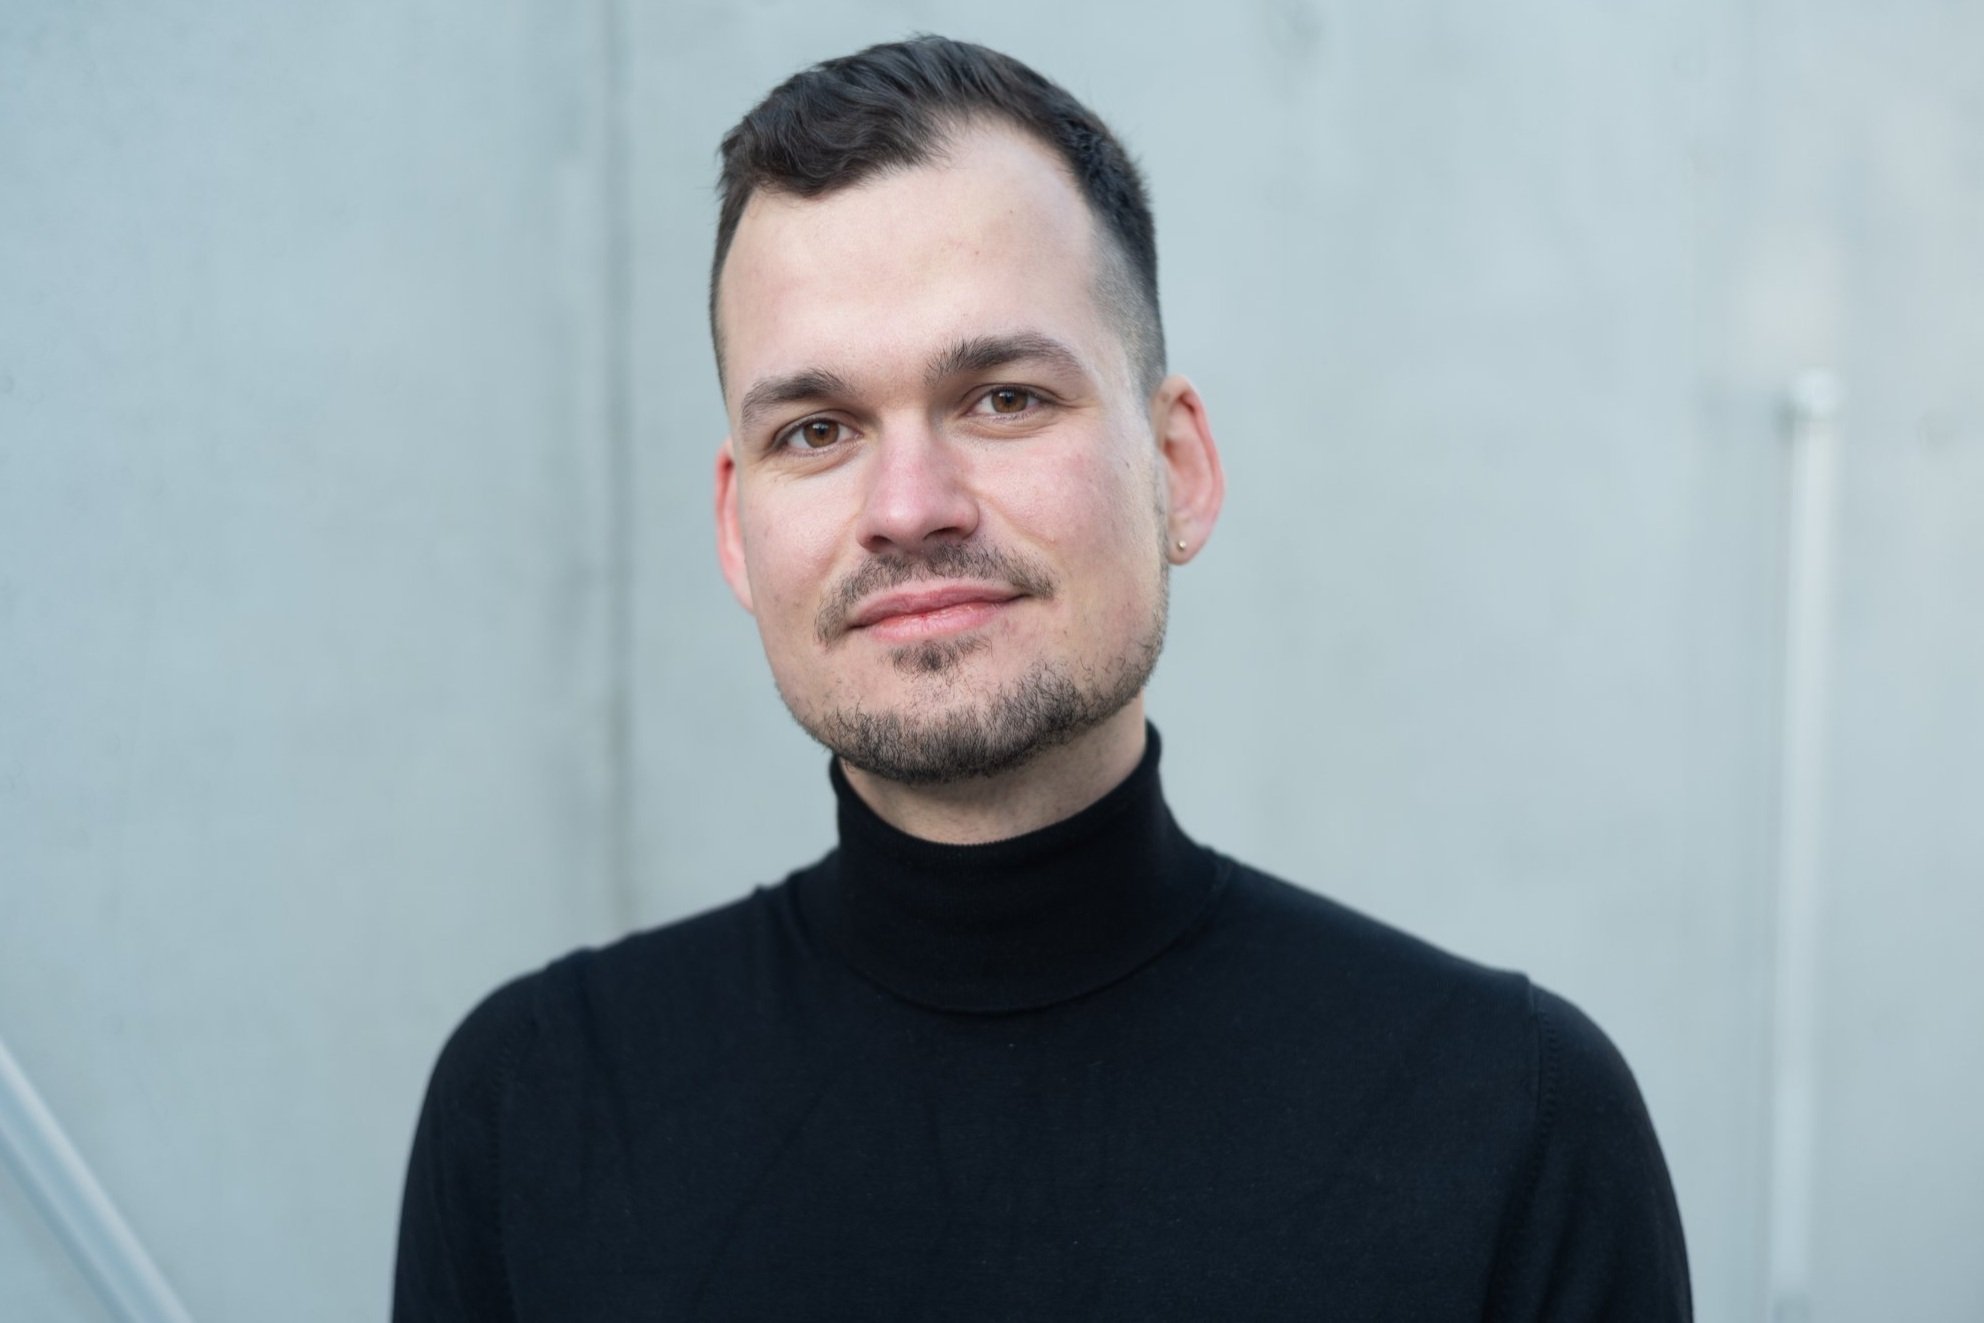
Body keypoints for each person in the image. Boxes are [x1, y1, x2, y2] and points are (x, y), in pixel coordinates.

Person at [393, 35, 1691, 1320]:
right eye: (818, 430)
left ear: (1176, 469)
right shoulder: (533, 1109)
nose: (908, 507)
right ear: (738, 528)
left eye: (1003, 398)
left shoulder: (1509, 1125)